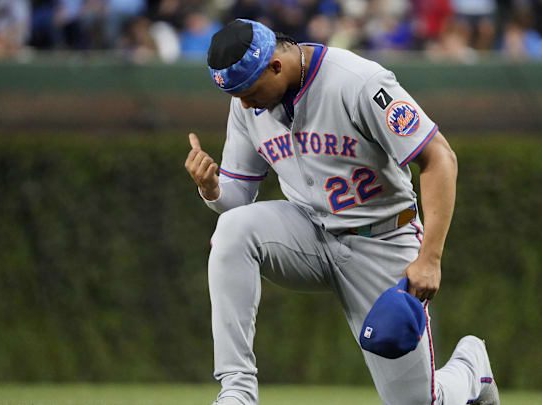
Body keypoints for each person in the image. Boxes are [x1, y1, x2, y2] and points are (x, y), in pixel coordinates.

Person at [184, 18, 500, 405]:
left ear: (276, 66)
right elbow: (237, 198)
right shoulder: (247, 106)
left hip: (382, 239)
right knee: (233, 229)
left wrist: (430, 257)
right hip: (309, 234)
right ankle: (237, 390)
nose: (244, 103)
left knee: (419, 402)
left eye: (248, 91)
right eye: (235, 95)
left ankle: (470, 367)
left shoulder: (358, 81)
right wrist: (212, 188)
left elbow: (440, 159)